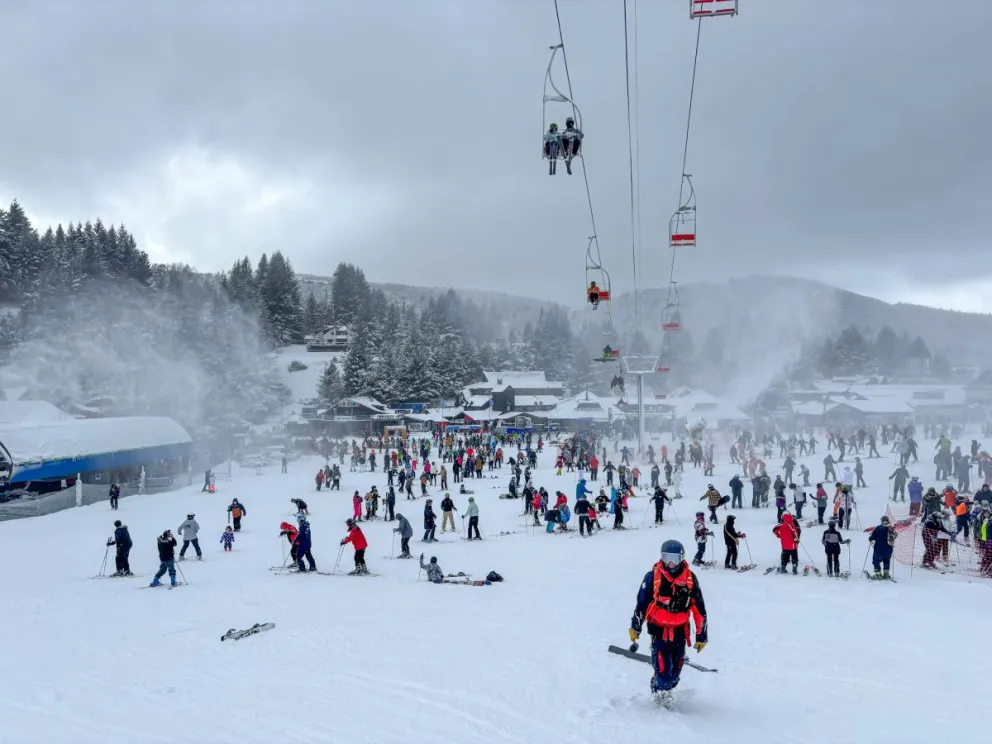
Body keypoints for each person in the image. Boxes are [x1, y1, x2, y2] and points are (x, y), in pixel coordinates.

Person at [628, 540, 708, 697]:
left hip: (680, 631)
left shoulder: (690, 579)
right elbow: (642, 603)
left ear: (682, 558)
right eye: (667, 558)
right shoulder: (653, 577)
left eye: (675, 559)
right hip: (659, 631)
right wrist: (635, 627)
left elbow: (699, 609)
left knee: (675, 674)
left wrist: (701, 635)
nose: (671, 564)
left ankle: (665, 686)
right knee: (664, 676)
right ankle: (658, 691)